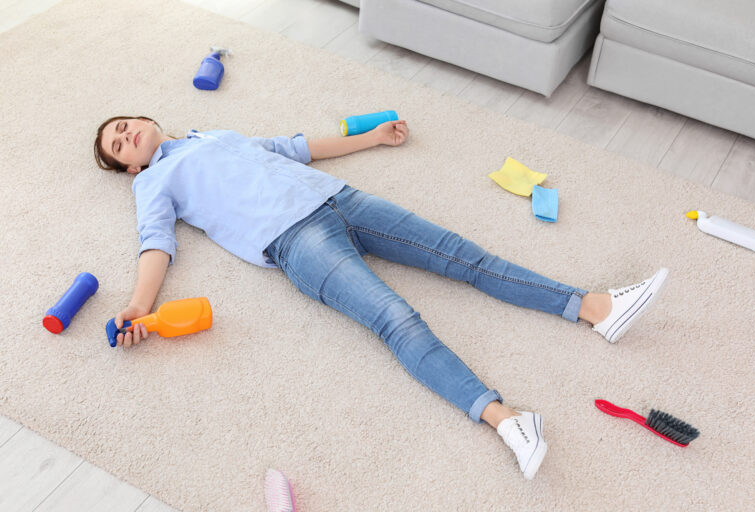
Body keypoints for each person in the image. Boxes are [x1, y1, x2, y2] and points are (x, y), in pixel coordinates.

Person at [94, 116, 669, 480]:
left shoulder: (212, 135)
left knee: (466, 258)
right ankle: (507, 419)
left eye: (124, 125)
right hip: (296, 242)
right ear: (132, 167)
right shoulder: (153, 184)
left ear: (148, 119)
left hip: (343, 198)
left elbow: (294, 147)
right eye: (118, 146)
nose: (126, 136)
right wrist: (140, 306)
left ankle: (597, 308)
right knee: (397, 320)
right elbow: (156, 244)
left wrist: (368, 138)